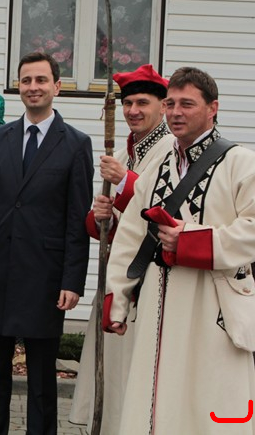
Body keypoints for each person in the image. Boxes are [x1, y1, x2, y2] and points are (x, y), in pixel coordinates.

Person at [0, 51, 93, 435]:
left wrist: (72, 281)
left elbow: (77, 219)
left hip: (45, 277)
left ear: (57, 86)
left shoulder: (76, 144)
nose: (33, 87)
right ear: (19, 87)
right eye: (26, 80)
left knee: (42, 382)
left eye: (41, 80)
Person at [104, 67, 255, 434]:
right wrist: (118, 299)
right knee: (155, 403)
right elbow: (130, 237)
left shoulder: (242, 163)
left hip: (213, 304)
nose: (175, 112)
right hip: (157, 305)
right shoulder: (157, 166)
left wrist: (191, 241)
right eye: (170, 104)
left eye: (187, 104)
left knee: (210, 405)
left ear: (212, 108)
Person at [69, 64, 173, 433]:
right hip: (118, 272)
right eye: (128, 103)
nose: (132, 110)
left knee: (135, 368)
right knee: (111, 369)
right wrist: (101, 216)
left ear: (163, 106)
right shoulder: (128, 151)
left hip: (148, 278)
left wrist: (126, 182)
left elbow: (165, 211)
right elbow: (116, 225)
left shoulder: (170, 148)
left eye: (142, 102)